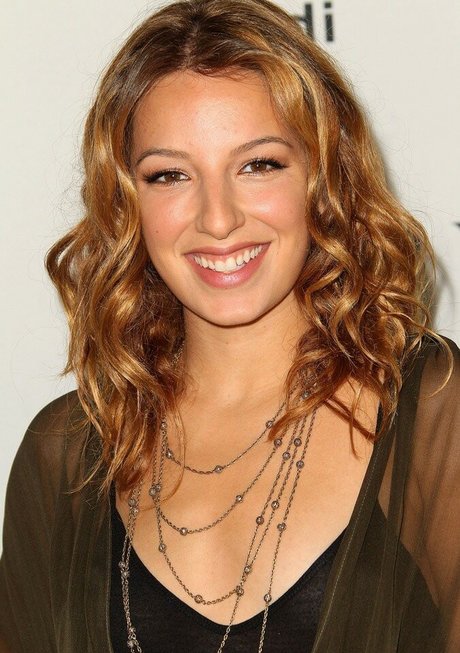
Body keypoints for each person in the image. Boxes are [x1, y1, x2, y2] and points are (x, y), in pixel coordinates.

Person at [1, 0, 459, 651]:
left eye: (258, 164)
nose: (218, 218)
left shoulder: (430, 409)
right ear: (127, 203)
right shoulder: (65, 453)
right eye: (169, 175)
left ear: (324, 176)